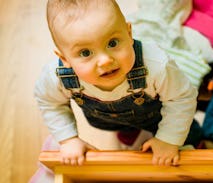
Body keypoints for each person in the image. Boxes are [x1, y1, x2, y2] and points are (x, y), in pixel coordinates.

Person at [34, 0, 202, 167]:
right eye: (85, 52)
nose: (105, 60)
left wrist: (168, 140)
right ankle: (130, 130)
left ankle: (198, 143)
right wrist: (68, 139)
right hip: (107, 120)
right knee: (121, 126)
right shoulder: (57, 77)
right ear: (64, 59)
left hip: (157, 114)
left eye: (113, 43)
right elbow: (50, 103)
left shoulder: (156, 65)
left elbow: (180, 99)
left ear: (129, 34)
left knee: (187, 135)